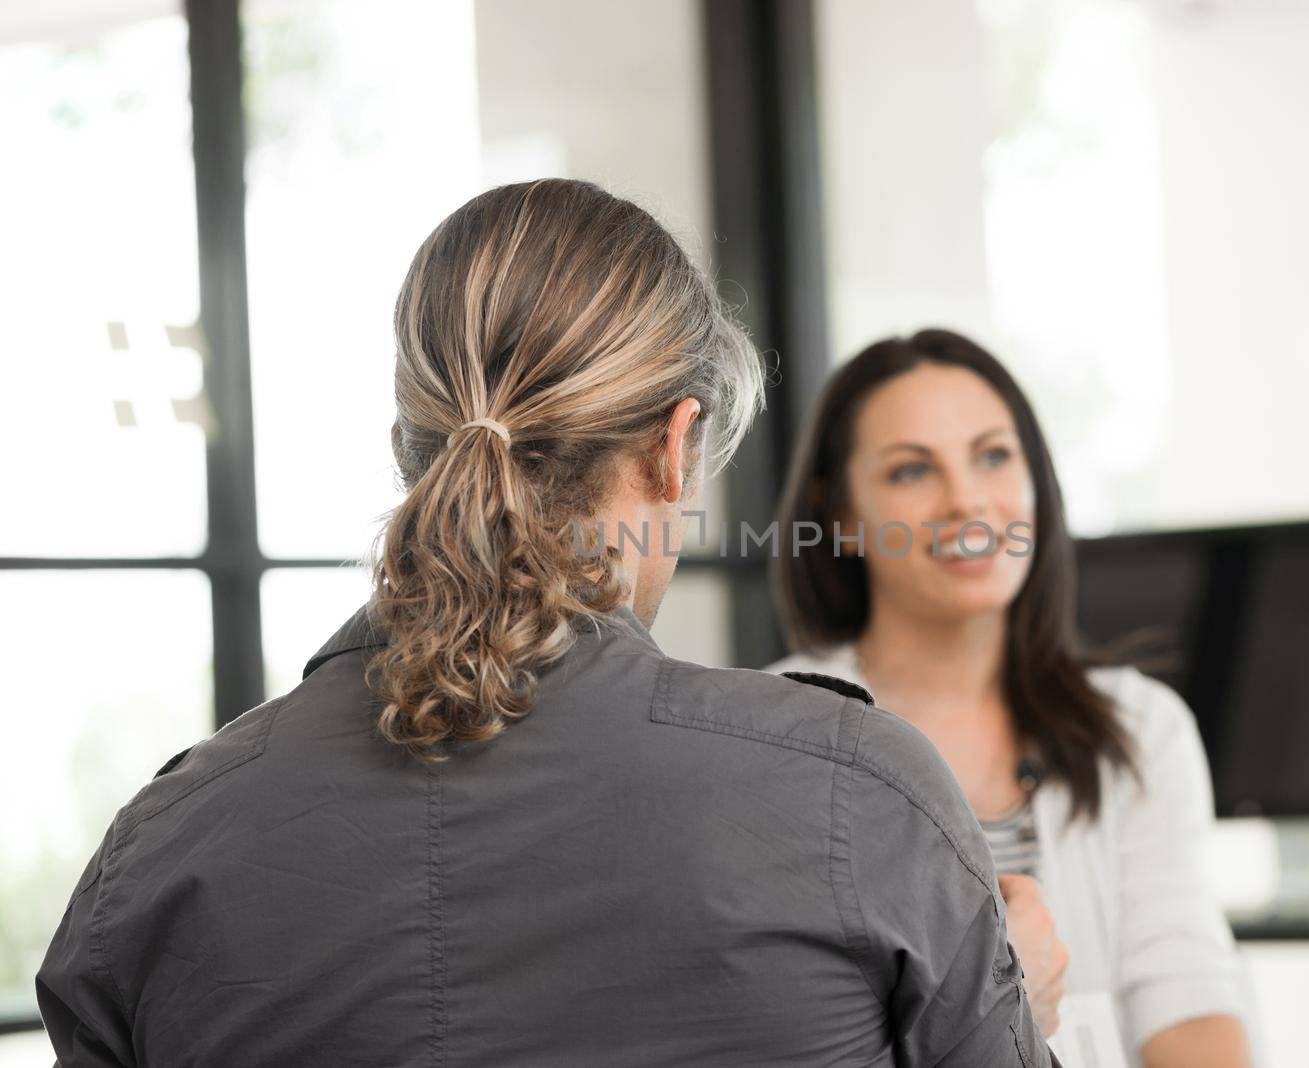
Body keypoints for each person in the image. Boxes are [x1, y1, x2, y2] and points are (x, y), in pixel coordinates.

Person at [34, 182, 1066, 1067]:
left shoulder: (158, 860)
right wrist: (1019, 1014)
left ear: (408, 444)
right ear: (677, 446)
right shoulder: (864, 798)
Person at [765, 328, 1252, 1068]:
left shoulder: (1140, 727)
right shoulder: (773, 730)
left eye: (993, 455)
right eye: (910, 471)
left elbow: (1185, 997)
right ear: (842, 516)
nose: (965, 501)